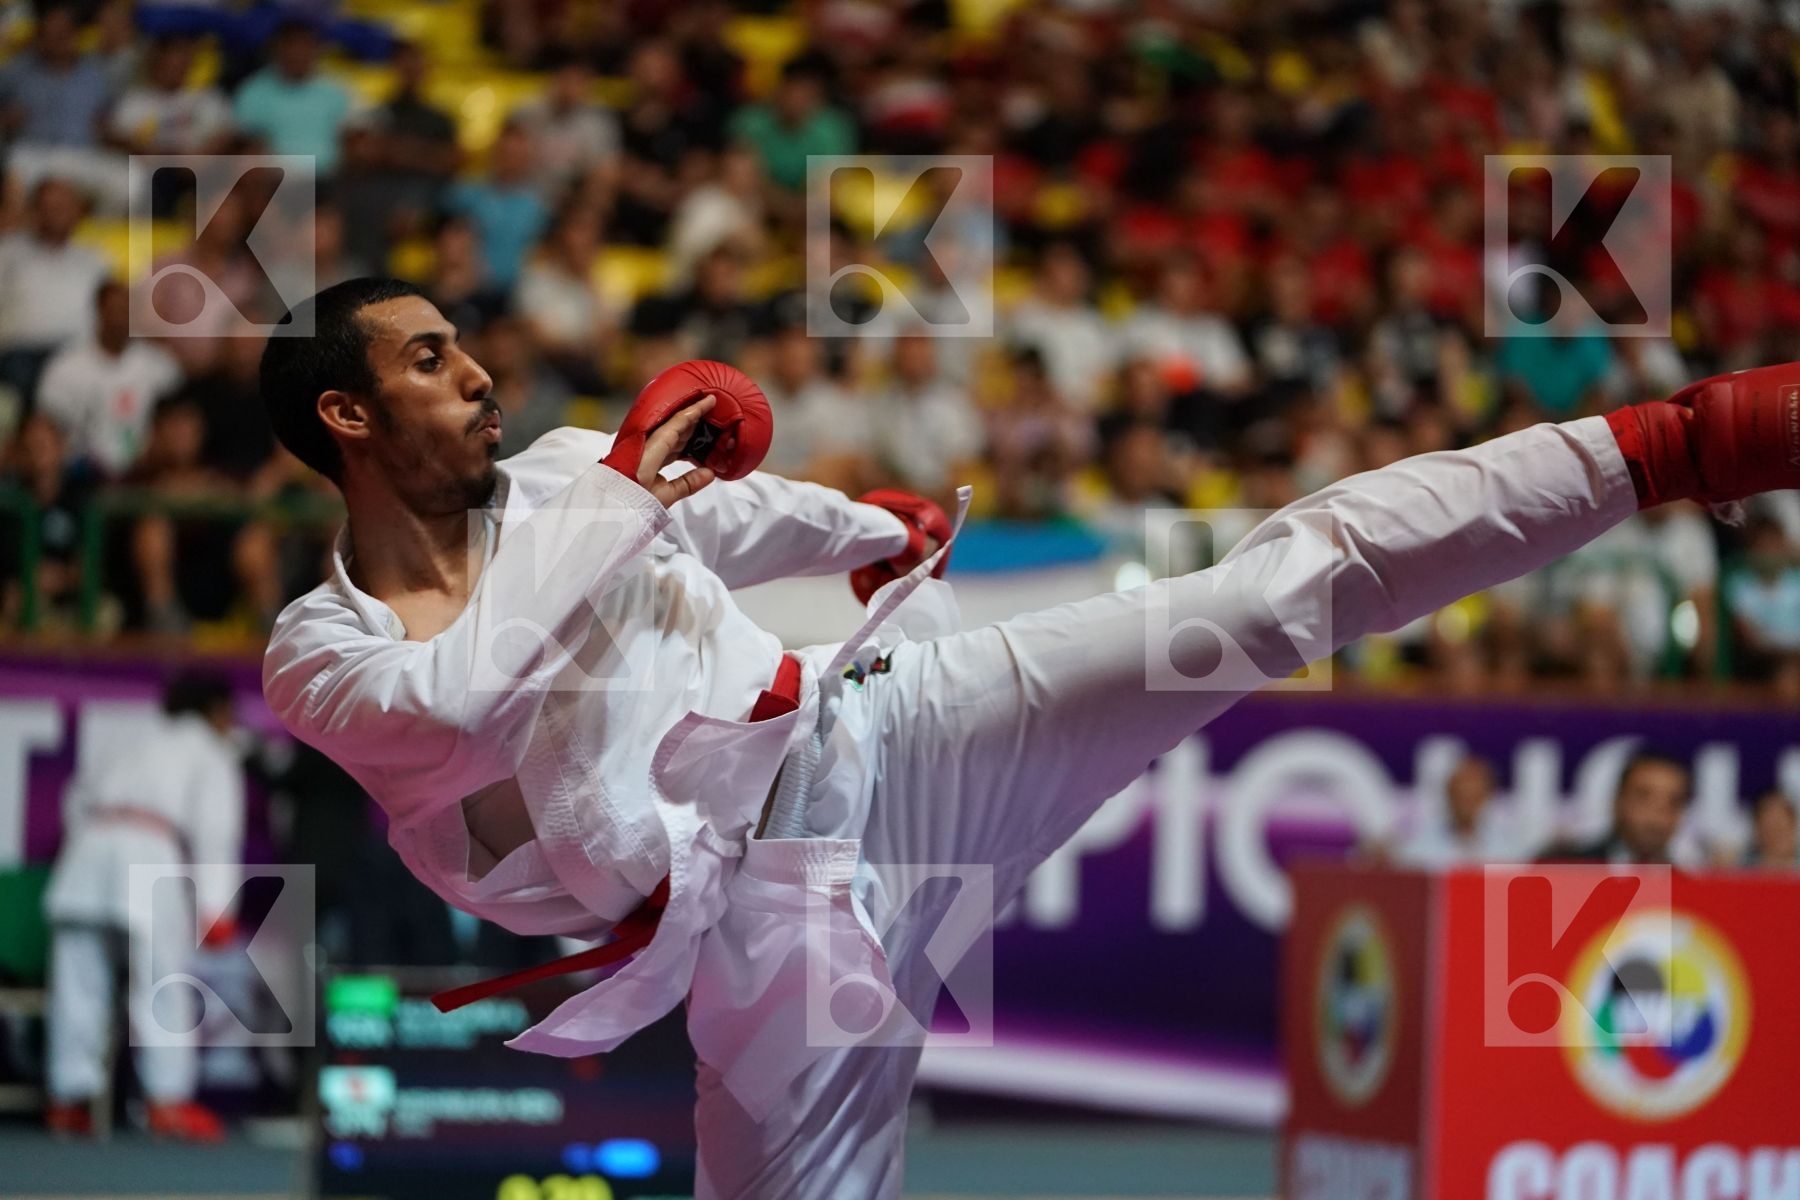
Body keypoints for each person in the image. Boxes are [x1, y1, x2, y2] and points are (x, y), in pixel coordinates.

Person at [258, 277, 1800, 1199]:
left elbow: (719, 520)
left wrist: (870, 532)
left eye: (462, 346)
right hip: (767, 929)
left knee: (1259, 597)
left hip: (901, 729)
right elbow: (462, 699)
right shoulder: (321, 652)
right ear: (345, 418)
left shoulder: (565, 478)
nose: (476, 372)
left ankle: (1676, 444)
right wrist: (620, 485)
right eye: (428, 359)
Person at [42, 672, 246, 1142]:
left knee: (78, 983)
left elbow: (75, 801)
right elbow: (215, 829)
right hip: (150, 852)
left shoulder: (127, 735)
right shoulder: (208, 750)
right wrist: (217, 906)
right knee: (161, 984)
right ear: (217, 711)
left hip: (87, 852)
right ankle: (166, 1100)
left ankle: (69, 1099)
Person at [1543, 752, 1696, 867]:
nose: (1656, 815)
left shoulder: (1690, 888)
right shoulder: (1568, 868)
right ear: (1618, 800)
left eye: (1673, 802)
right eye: (1643, 797)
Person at [1394, 756, 1523, 868]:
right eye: (1460, 796)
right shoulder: (1421, 845)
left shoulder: (1506, 848)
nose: (1466, 805)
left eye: (1474, 798)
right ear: (1449, 795)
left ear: (1486, 797)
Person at [1745, 789, 1799, 870]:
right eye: (1769, 831)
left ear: (1793, 825)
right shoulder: (1743, 868)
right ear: (1757, 831)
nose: (1776, 838)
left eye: (1780, 829)